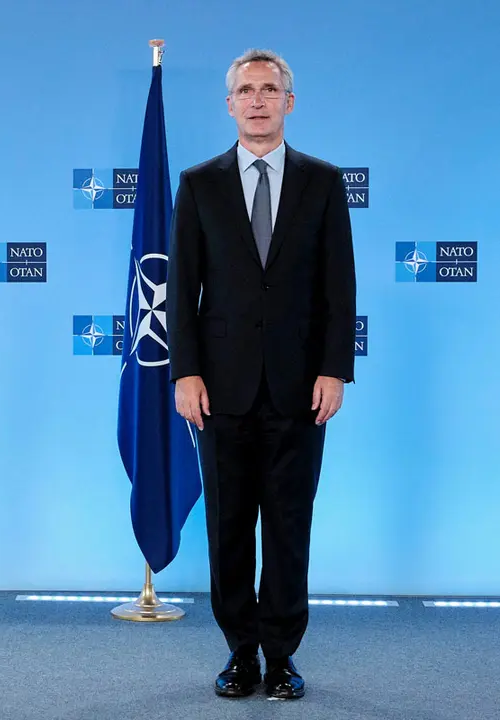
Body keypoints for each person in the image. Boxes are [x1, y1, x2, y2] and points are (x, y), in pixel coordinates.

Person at [166, 49, 356, 700]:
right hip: (220, 388)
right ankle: (239, 653)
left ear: (288, 102)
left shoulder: (324, 182)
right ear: (229, 104)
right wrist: (184, 374)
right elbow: (180, 288)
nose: (257, 99)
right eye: (245, 90)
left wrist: (335, 371)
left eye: (269, 88)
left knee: (288, 523)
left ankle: (281, 655)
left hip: (301, 388)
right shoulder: (198, 184)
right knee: (227, 524)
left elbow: (340, 288)